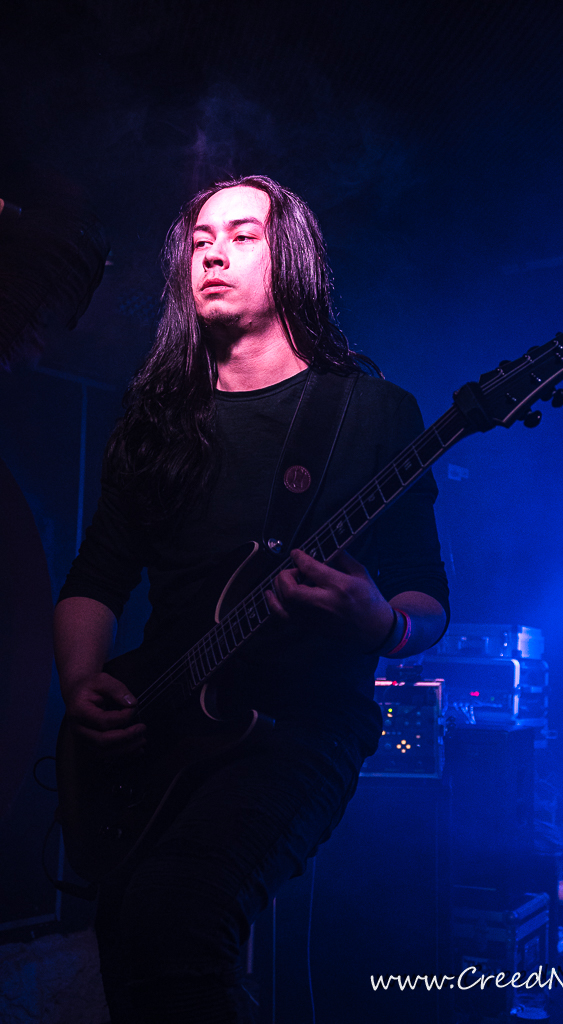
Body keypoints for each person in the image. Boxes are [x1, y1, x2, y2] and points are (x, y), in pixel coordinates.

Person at [54, 175, 449, 1023]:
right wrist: (81, 682)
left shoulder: (370, 412)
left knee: (179, 916)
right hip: (157, 724)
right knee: (126, 941)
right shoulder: (157, 420)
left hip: (299, 731)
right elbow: (95, 580)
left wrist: (379, 621)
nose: (212, 254)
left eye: (241, 236)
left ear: (293, 259)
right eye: (200, 241)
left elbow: (426, 596)